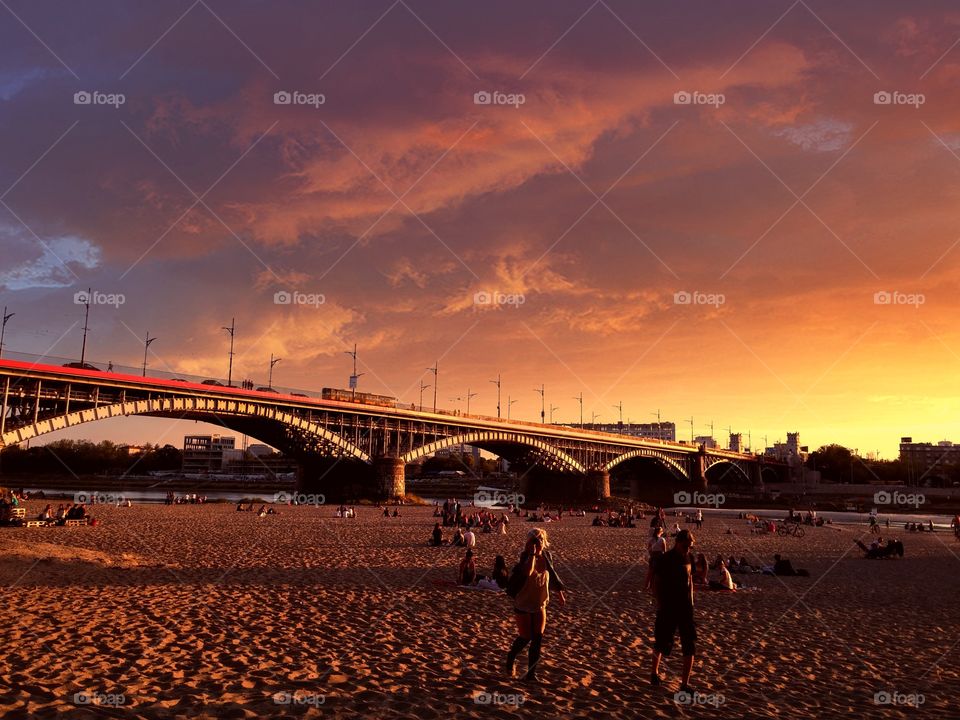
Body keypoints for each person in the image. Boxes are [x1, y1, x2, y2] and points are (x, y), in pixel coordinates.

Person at [504, 528, 566, 682]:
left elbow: (552, 575)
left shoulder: (547, 556)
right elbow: (527, 572)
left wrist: (560, 594)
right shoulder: (525, 557)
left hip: (540, 602)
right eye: (532, 541)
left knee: (538, 638)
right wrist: (532, 554)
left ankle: (531, 674)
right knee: (525, 637)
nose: (536, 544)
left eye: (538, 541)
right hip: (524, 602)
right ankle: (511, 656)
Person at [650, 529, 696, 694]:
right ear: (677, 542)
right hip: (668, 607)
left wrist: (691, 602)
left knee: (689, 645)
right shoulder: (665, 559)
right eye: (685, 546)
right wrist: (659, 603)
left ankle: (685, 684)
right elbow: (656, 582)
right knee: (662, 642)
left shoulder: (690, 558)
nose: (688, 550)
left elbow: (691, 581)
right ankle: (654, 673)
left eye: (690, 547)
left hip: (685, 608)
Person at [644, 526, 667, 591]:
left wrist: (651, 555)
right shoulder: (662, 539)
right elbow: (664, 550)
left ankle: (647, 586)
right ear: (661, 532)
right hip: (660, 555)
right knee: (658, 572)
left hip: (653, 555)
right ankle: (655, 586)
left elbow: (649, 549)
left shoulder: (651, 539)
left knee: (650, 571)